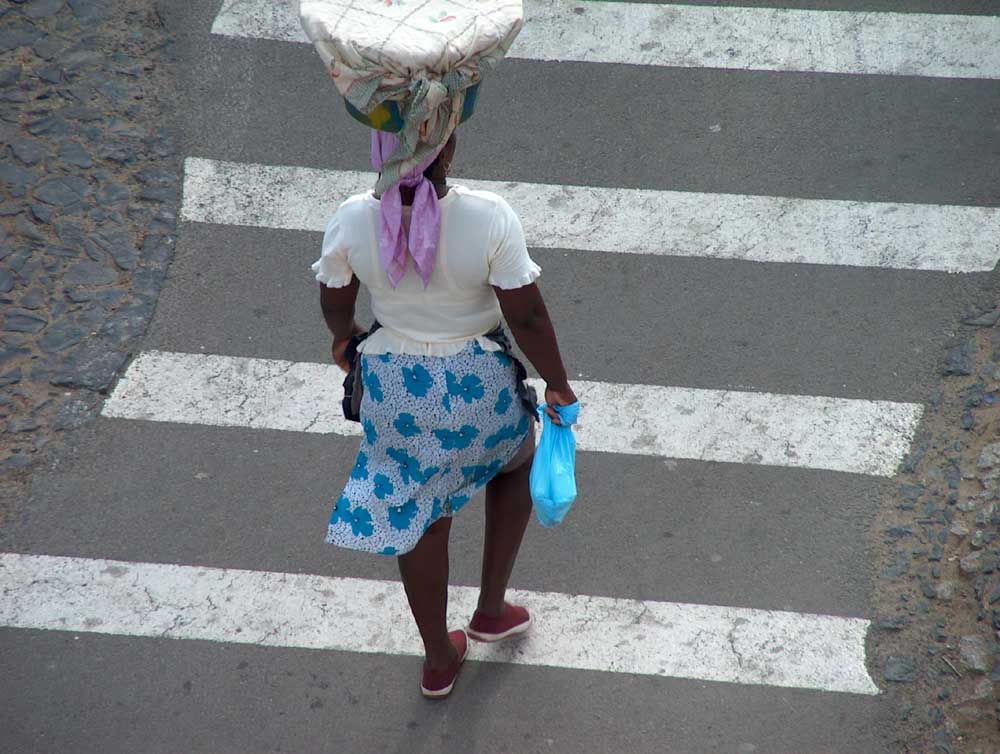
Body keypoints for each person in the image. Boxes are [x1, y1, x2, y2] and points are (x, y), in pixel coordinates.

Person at [313, 130, 576, 698]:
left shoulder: (354, 218)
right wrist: (556, 383)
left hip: (397, 390)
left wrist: (345, 339)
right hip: (478, 382)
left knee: (421, 511)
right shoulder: (489, 217)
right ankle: (490, 608)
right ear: (447, 151)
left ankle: (438, 658)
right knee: (515, 462)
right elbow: (527, 316)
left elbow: (336, 300)